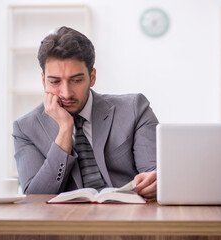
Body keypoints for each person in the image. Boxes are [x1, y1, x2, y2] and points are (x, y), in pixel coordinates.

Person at [12, 26, 158, 201]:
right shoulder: (26, 128)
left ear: (92, 77)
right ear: (43, 80)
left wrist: (155, 182)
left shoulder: (134, 109)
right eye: (55, 82)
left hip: (129, 218)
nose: (66, 93)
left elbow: (155, 173)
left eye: (76, 80)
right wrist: (65, 130)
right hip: (66, 224)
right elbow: (35, 197)